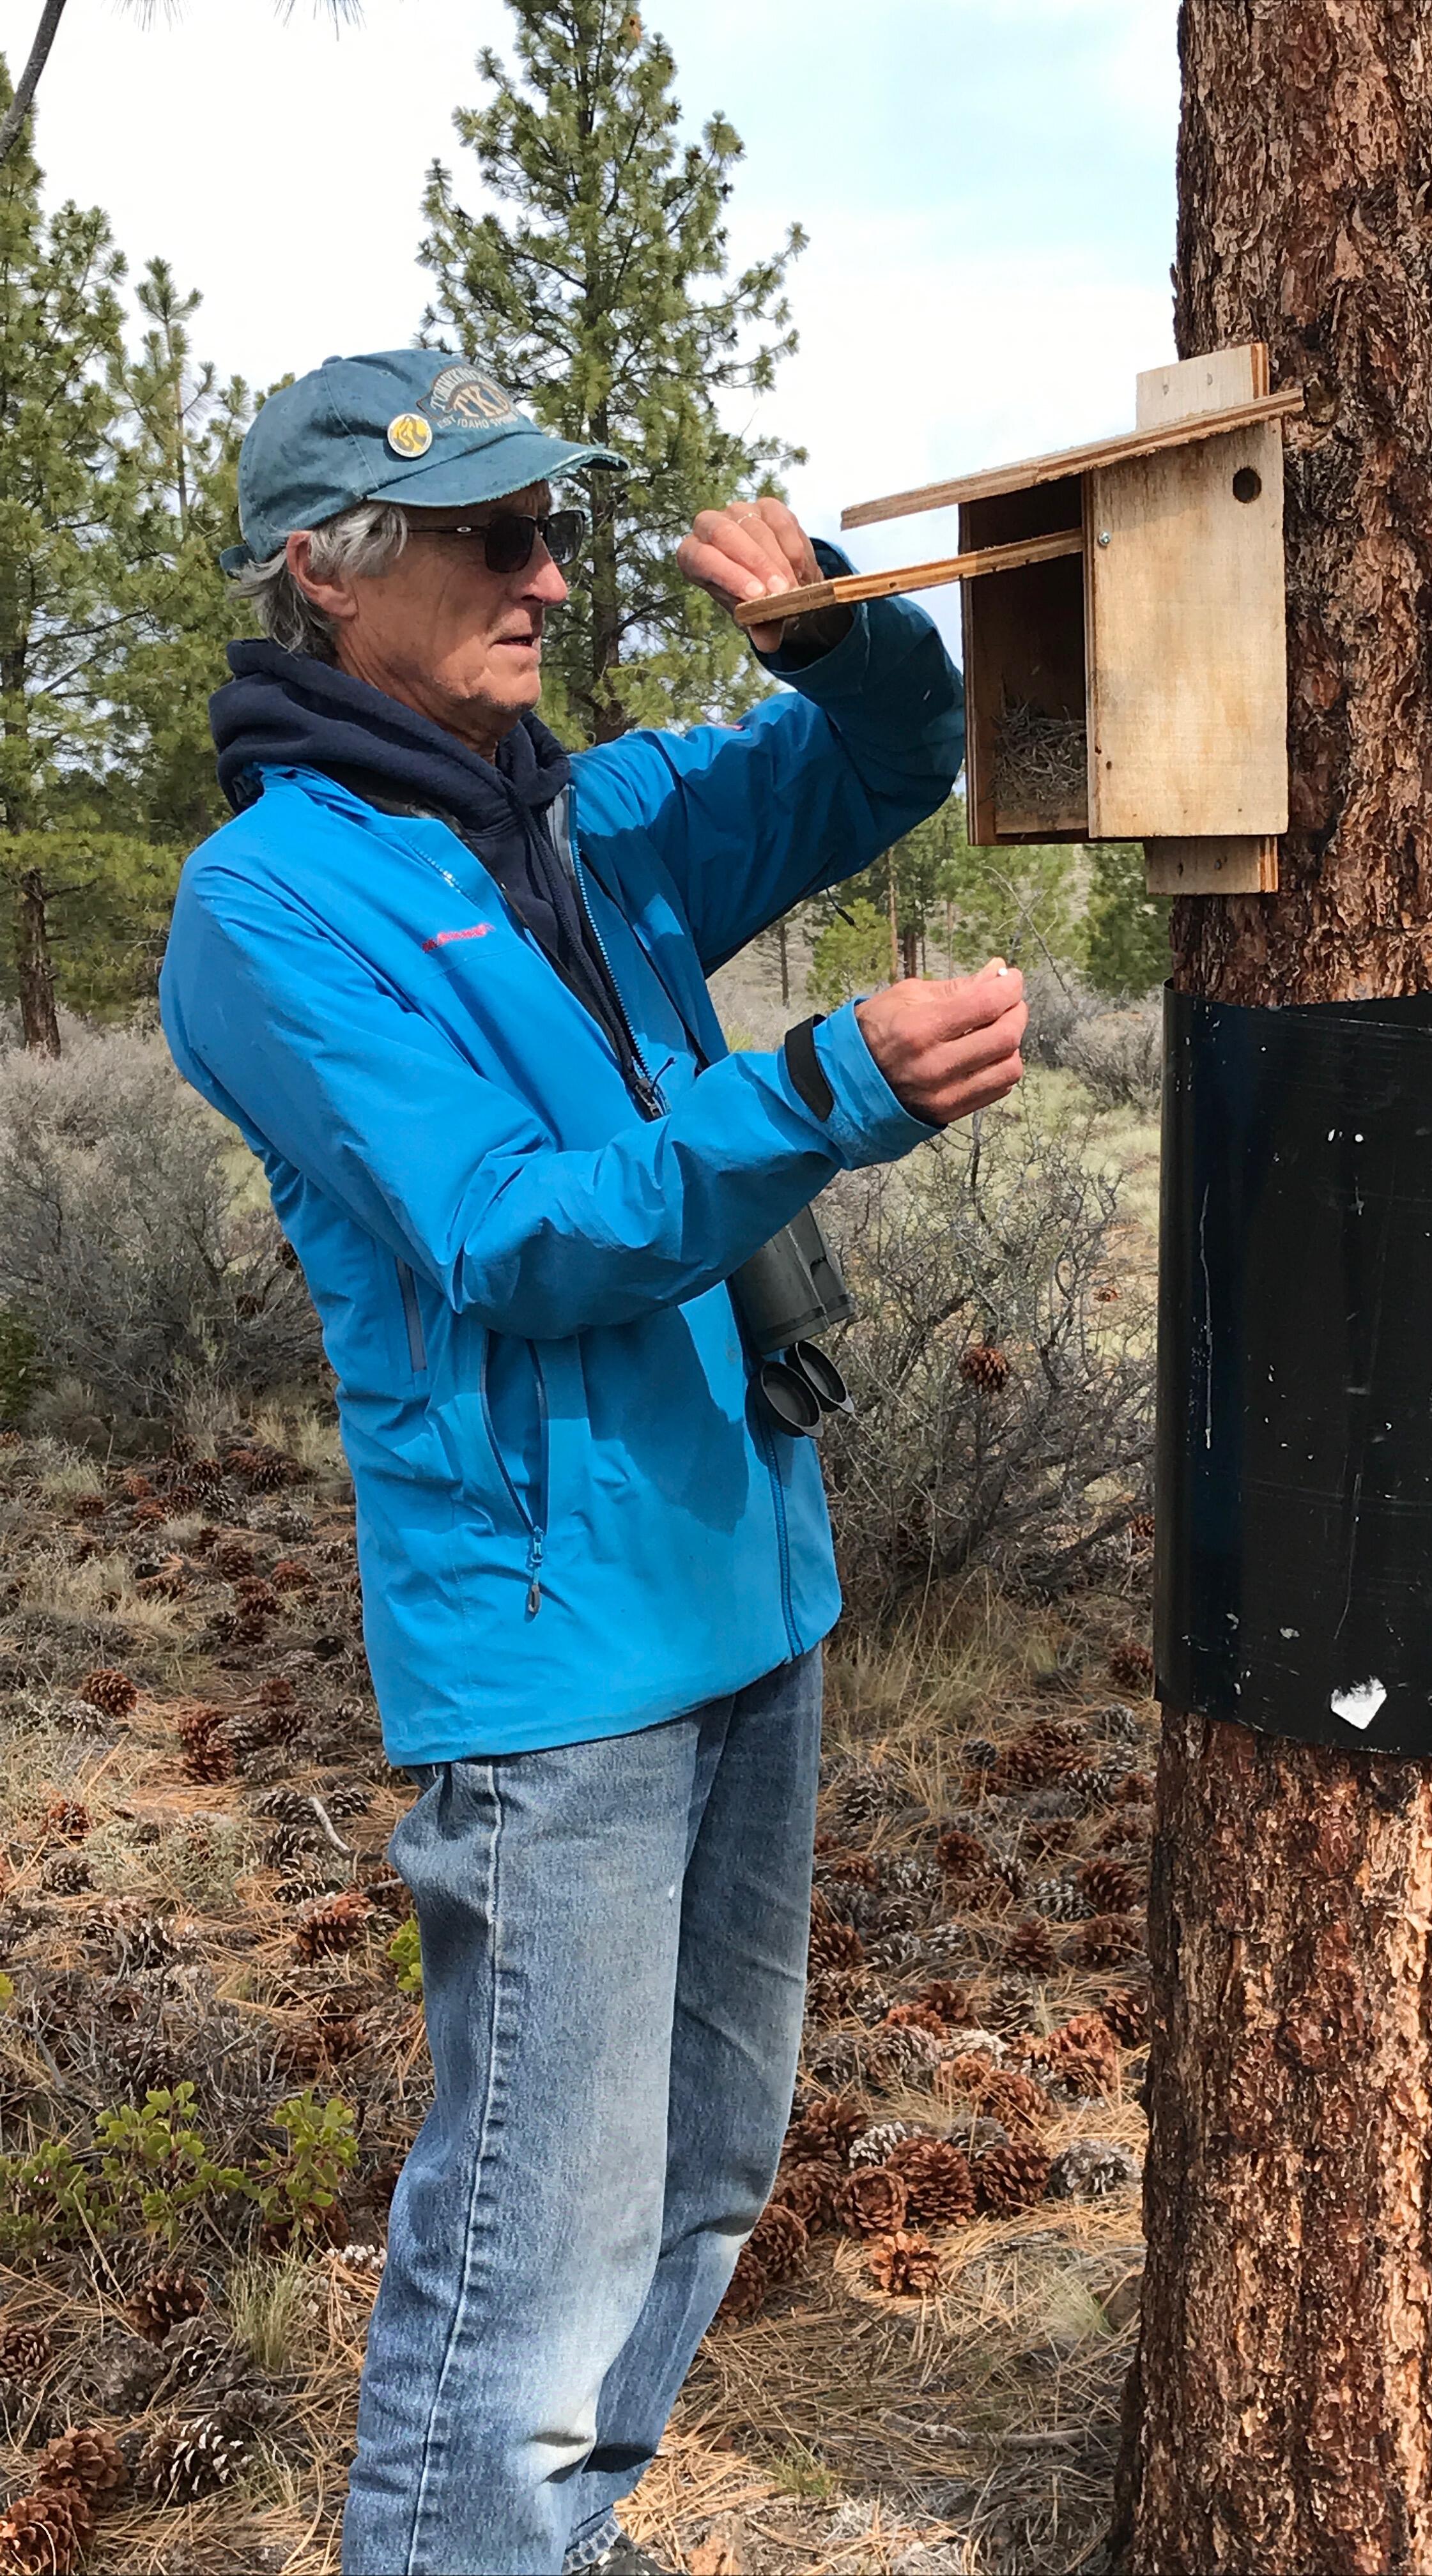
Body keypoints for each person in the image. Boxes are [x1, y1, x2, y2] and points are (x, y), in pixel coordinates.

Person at [158, 349, 1026, 2575]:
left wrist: (841, 633)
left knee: (706, 2173)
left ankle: (536, 2547)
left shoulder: (584, 818)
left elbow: (888, 762)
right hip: (558, 1656)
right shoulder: (271, 914)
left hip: (750, 1582)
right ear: (326, 576)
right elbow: (509, 1237)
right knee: (531, 2274)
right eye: (489, 538)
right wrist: (831, 1083)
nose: (547, 575)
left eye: (554, 530)